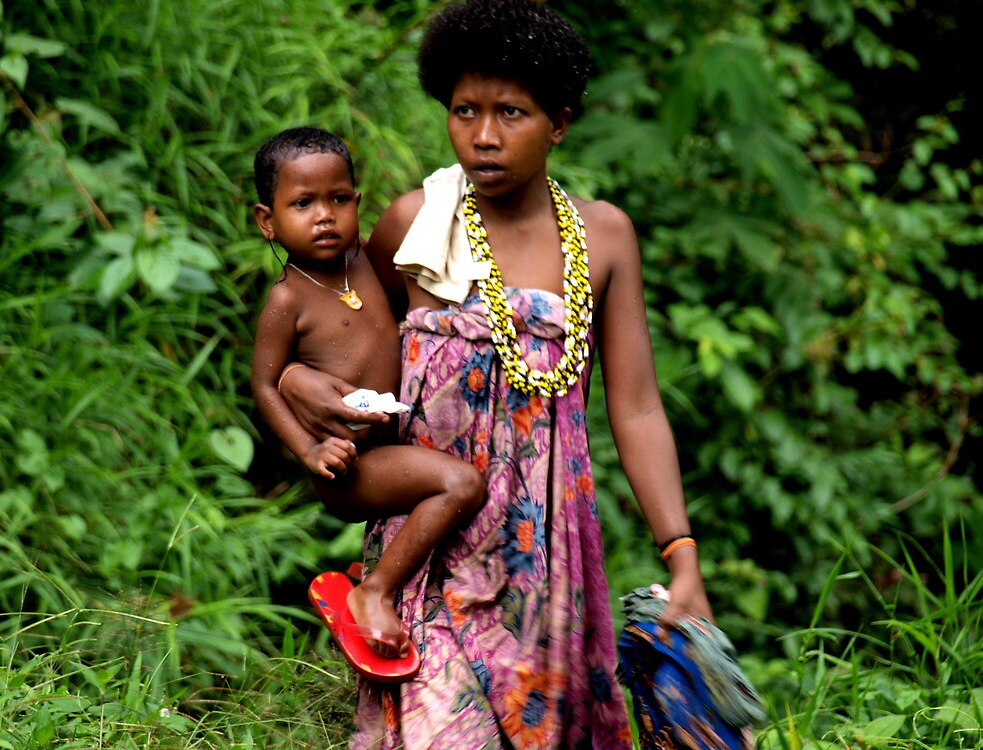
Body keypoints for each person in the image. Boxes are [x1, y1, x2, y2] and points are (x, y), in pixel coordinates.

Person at [278, 1, 713, 746]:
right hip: (428, 546)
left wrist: (681, 555)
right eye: (464, 110)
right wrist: (300, 389)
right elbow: (336, 336)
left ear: (560, 123)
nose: (483, 135)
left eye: (511, 112)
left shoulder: (603, 238)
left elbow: (636, 409)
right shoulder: (414, 225)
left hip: (545, 562)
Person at [250, 127, 485, 664]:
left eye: (337, 200)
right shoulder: (288, 299)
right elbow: (264, 384)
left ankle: (381, 574)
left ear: (357, 203)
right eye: (303, 203)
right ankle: (373, 591)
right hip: (351, 464)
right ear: (268, 220)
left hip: (391, 443)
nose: (324, 215)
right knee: (462, 484)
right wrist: (309, 452)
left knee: (459, 479)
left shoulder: (368, 261)